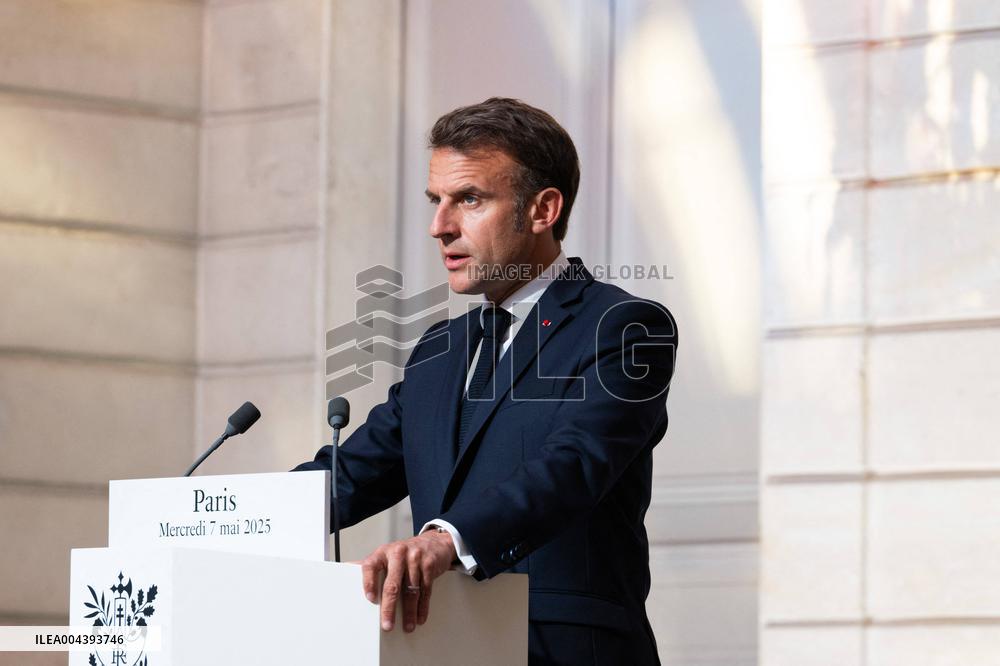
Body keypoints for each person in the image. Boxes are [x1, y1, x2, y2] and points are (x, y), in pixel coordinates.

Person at [295, 97, 676, 665]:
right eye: (436, 201)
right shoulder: (436, 352)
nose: (439, 226)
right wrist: (218, 517)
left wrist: (445, 540)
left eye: (469, 199)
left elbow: (571, 466)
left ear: (543, 209)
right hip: (441, 647)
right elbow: (350, 476)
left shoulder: (625, 328)